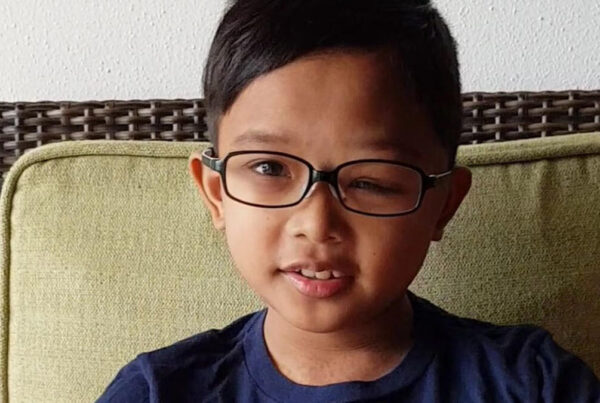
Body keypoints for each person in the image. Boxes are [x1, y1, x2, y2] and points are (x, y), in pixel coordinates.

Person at [97, 0, 600, 401]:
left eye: (372, 180)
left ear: (443, 204)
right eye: (269, 168)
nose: (316, 223)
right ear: (216, 195)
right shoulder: (158, 390)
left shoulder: (533, 383)